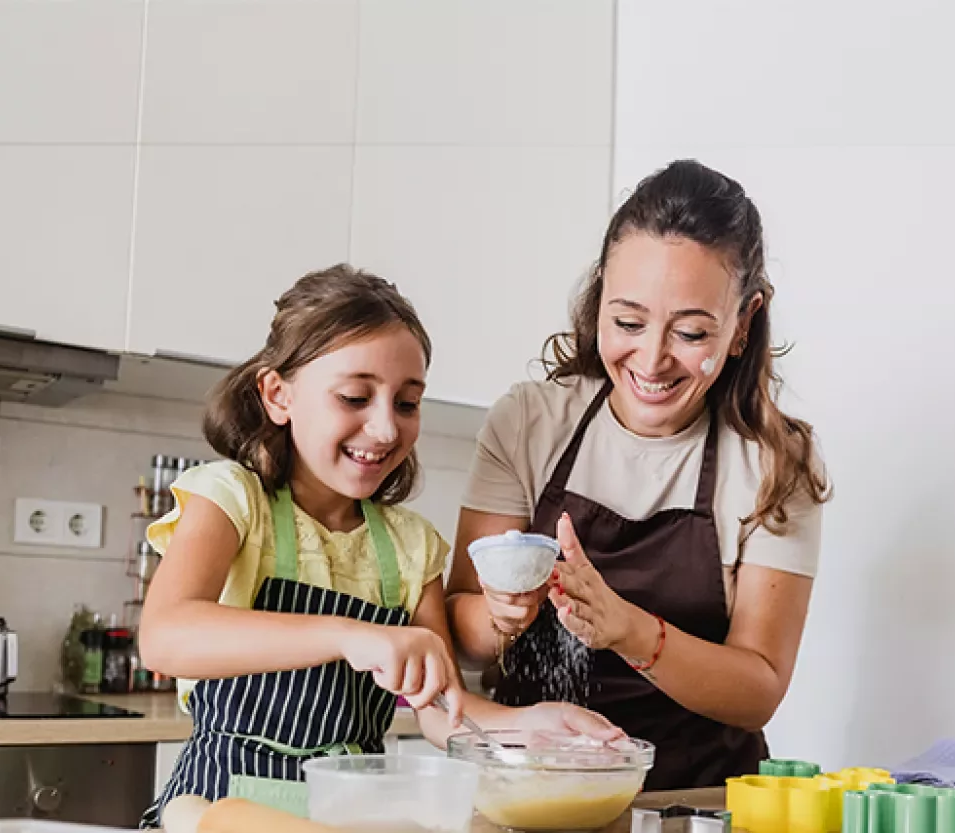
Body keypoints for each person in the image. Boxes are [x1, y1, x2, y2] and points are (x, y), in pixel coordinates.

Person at [137, 264, 620, 826]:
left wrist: (527, 725)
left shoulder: (409, 545)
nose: (387, 430)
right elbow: (165, 637)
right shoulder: (233, 500)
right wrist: (350, 636)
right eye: (354, 397)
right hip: (216, 813)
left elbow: (442, 713)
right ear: (277, 394)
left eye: (407, 403)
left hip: (346, 818)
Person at [446, 160, 833, 789]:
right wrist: (502, 614)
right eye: (628, 322)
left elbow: (759, 686)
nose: (651, 359)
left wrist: (626, 628)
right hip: (531, 790)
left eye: (689, 332)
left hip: (700, 799)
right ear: (600, 296)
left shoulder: (771, 464)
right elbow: (461, 632)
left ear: (742, 324)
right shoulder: (528, 423)